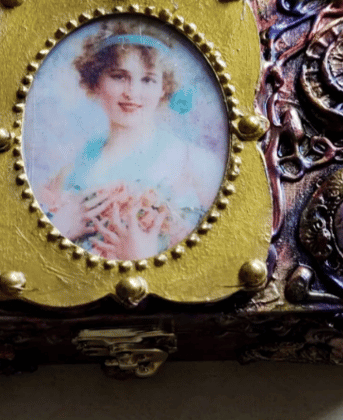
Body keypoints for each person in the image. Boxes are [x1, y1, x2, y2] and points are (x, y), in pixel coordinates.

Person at [35, 18, 225, 260]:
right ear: (96, 81)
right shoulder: (68, 175)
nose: (132, 92)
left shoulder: (196, 163)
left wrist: (144, 258)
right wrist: (61, 228)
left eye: (147, 80)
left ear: (163, 87)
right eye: (119, 76)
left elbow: (219, 258)